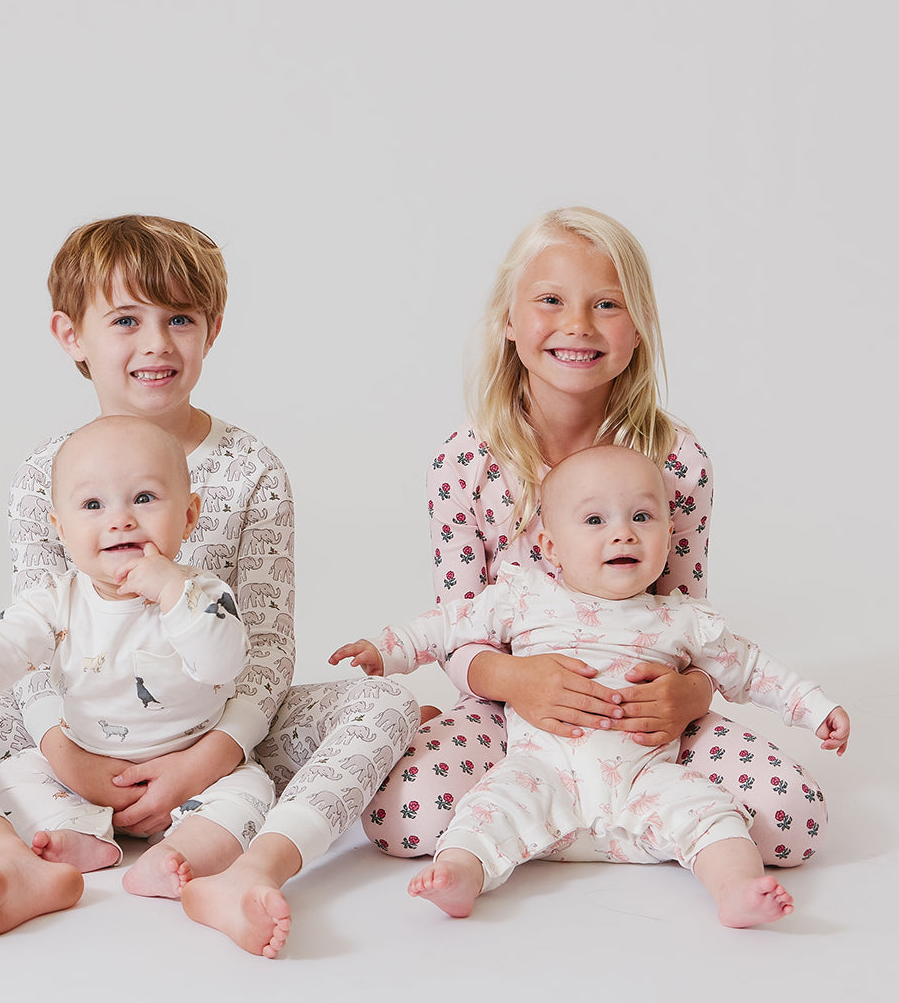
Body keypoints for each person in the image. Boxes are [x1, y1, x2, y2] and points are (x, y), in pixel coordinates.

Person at [0, 216, 418, 952]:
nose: (156, 343)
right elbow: (28, 638)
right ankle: (13, 861)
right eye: (126, 320)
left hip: (215, 734)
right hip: (73, 732)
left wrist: (206, 760)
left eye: (179, 319)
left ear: (211, 330)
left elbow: (266, 645)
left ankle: (252, 870)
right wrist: (70, 760)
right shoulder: (45, 472)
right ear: (71, 335)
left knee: (387, 703)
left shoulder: (251, 469)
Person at [347, 207, 828, 864]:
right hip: (512, 711)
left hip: (645, 719)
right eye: (550, 300)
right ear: (508, 320)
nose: (577, 325)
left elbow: (692, 622)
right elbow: (455, 624)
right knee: (399, 818)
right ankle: (593, 817)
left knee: (793, 822)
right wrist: (516, 681)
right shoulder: (463, 460)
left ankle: (580, 821)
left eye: (607, 304)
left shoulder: (677, 459)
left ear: (639, 328)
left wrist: (688, 695)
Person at [334, 445, 849, 927]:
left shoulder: (684, 619)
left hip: (645, 776)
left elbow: (754, 669)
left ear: (670, 534)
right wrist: (386, 648)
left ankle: (736, 888)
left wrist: (815, 708)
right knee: (488, 808)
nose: (623, 534)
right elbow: (448, 624)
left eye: (642, 517)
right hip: (541, 768)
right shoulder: (525, 597)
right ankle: (459, 876)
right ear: (550, 547)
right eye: (596, 520)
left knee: (709, 811)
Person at [0, 415, 275, 886]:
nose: (121, 520)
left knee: (252, 791)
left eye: (144, 498)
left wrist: (172, 593)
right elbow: (1, 641)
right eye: (93, 504)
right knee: (15, 777)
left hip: (195, 771)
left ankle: (180, 854)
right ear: (60, 529)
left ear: (189, 515)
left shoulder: (204, 594)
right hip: (82, 771)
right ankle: (79, 835)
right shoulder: (57, 601)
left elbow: (222, 664)